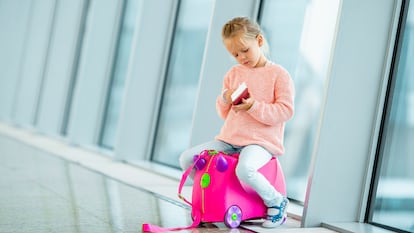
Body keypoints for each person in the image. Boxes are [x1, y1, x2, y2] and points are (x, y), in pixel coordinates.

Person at [179, 16, 295, 228]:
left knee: (245, 169)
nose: (241, 57)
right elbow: (224, 113)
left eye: (245, 50)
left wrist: (253, 106)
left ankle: (276, 201)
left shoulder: (279, 75)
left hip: (261, 142)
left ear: (259, 41)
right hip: (229, 140)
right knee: (187, 160)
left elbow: (285, 111)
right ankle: (214, 196)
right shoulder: (234, 73)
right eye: (235, 54)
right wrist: (225, 98)